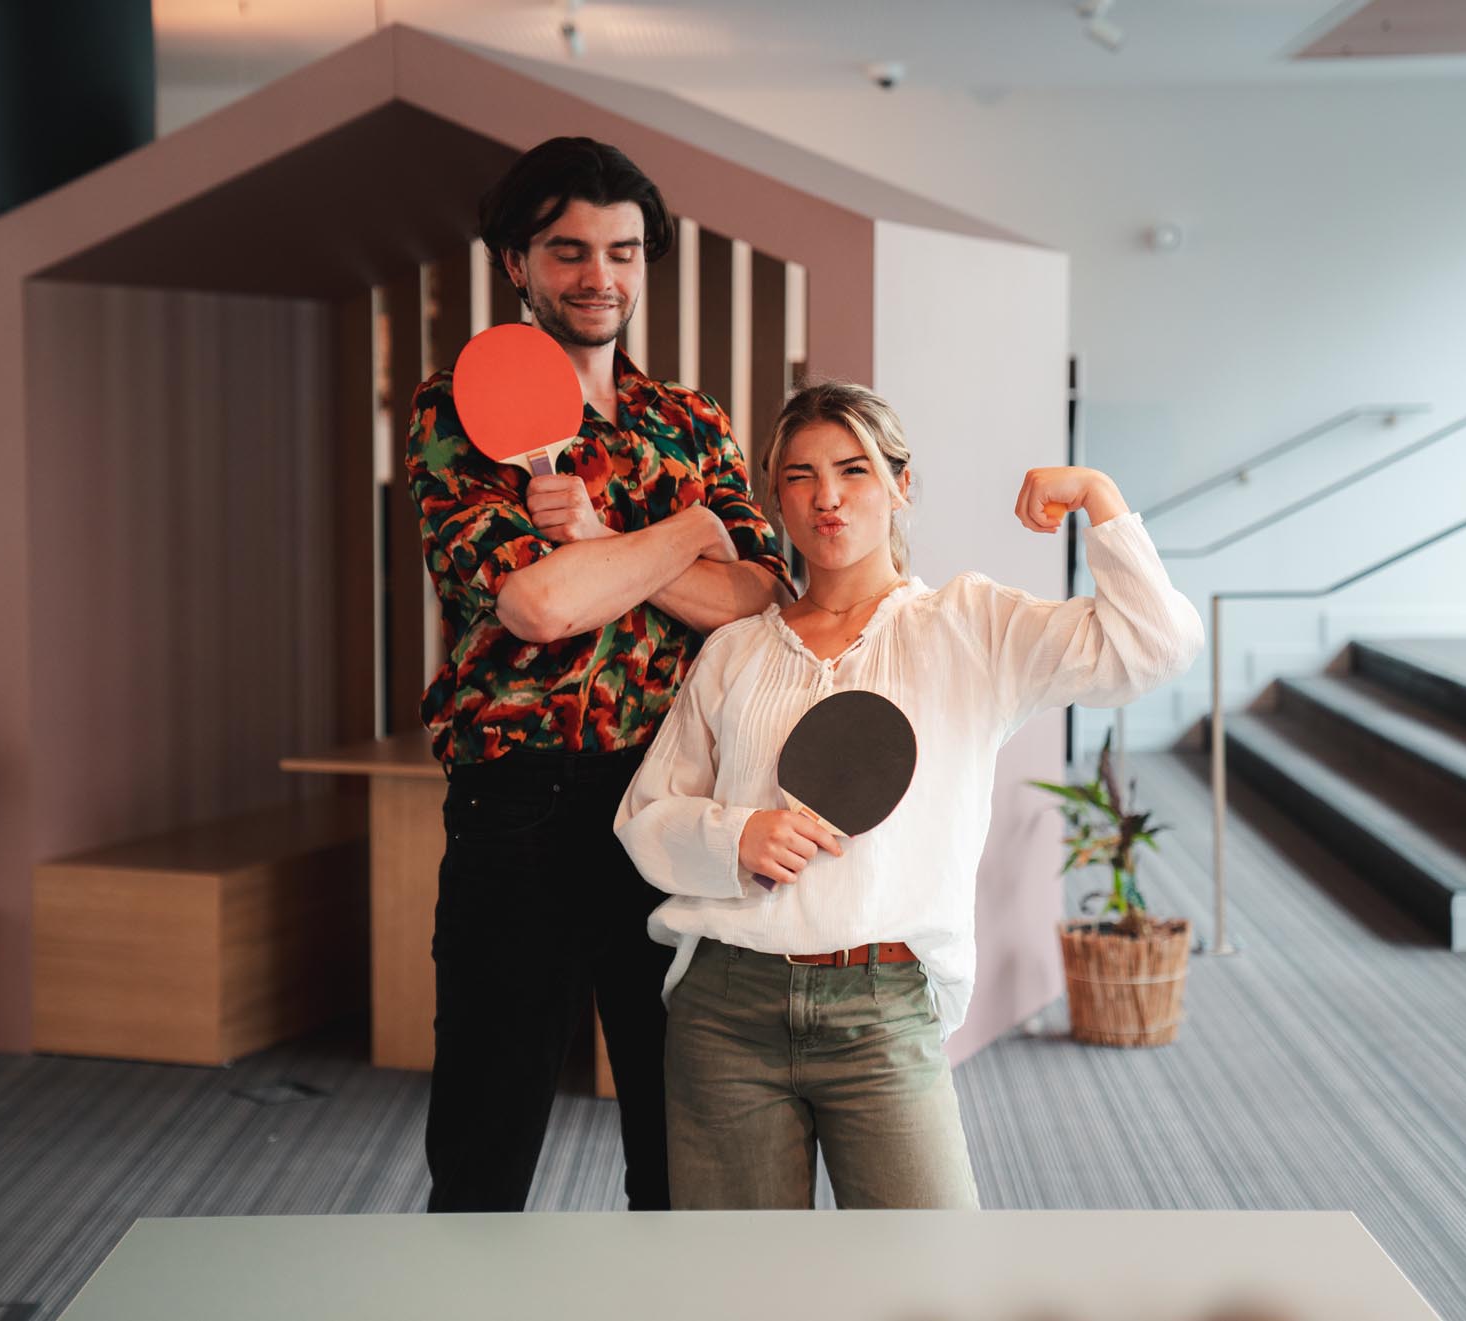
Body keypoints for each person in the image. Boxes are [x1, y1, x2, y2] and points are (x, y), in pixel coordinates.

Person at [614, 381, 1204, 1209]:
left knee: (930, 1282)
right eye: (799, 475)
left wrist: (1098, 499)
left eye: (853, 470)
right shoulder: (736, 652)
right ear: (774, 496)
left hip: (883, 1010)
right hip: (725, 1010)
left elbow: (1155, 646)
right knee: (740, 1291)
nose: (826, 497)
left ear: (901, 485)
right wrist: (733, 837)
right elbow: (646, 816)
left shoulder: (971, 628)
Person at [404, 136, 794, 1212]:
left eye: (622, 251)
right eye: (568, 251)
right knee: (488, 1141)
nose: (599, 276)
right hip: (519, 806)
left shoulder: (690, 419)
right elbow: (539, 606)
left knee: (682, 1144)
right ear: (517, 264)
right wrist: (692, 529)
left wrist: (616, 533)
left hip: (672, 803)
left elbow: (762, 593)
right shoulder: (456, 411)